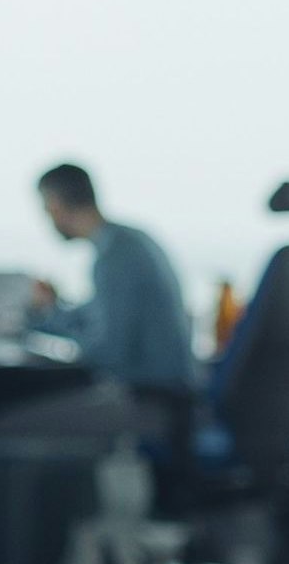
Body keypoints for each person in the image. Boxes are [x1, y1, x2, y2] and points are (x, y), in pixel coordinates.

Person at [26, 162, 198, 405]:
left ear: (55, 205)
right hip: (166, 388)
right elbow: (98, 315)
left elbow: (106, 353)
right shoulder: (127, 240)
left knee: (25, 411)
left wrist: (55, 350)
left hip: (154, 395)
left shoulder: (114, 257)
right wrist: (51, 312)